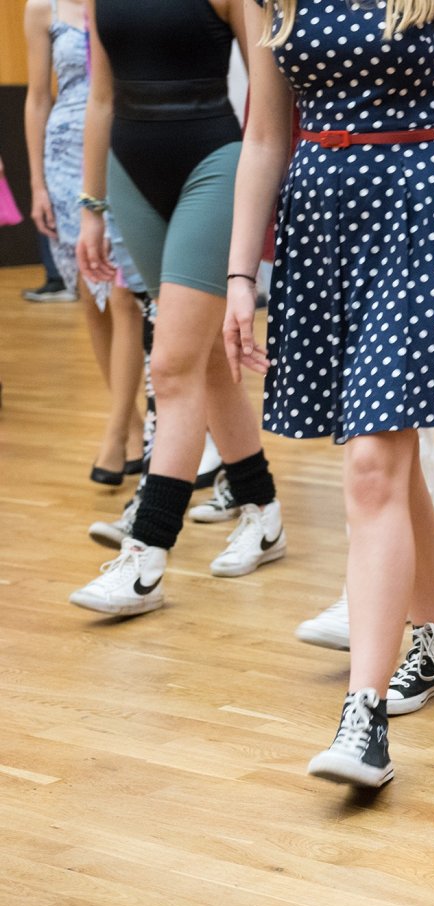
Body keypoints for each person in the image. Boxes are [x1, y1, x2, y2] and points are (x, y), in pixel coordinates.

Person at [226, 0, 434, 788]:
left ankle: (363, 718)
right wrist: (239, 276)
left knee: (371, 462)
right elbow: (264, 137)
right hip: (320, 225)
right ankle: (432, 642)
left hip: (416, 216)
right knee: (387, 456)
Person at [69, 0, 287, 617]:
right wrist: (91, 206)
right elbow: (100, 98)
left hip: (213, 167)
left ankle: (146, 554)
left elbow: (269, 101)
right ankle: (262, 508)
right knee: (204, 359)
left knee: (169, 365)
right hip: (130, 173)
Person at [24, 0, 147, 486]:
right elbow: (38, 98)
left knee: (123, 296)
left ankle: (115, 432)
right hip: (63, 158)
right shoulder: (42, 8)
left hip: (124, 148)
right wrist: (37, 184)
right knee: (89, 297)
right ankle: (131, 424)